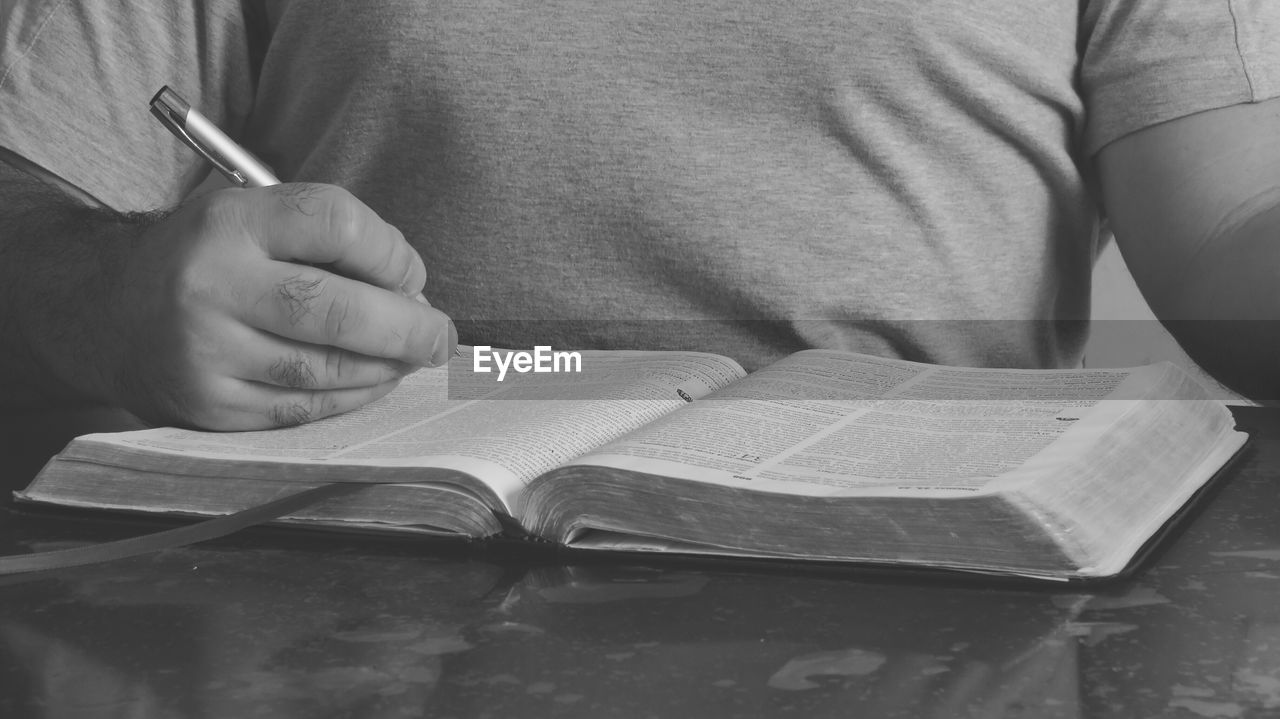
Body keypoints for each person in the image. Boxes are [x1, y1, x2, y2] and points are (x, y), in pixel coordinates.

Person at [0, 1, 1277, 431]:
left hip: (935, 584)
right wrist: (100, 293)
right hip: (344, 561)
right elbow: (27, 186)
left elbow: (1232, 232)